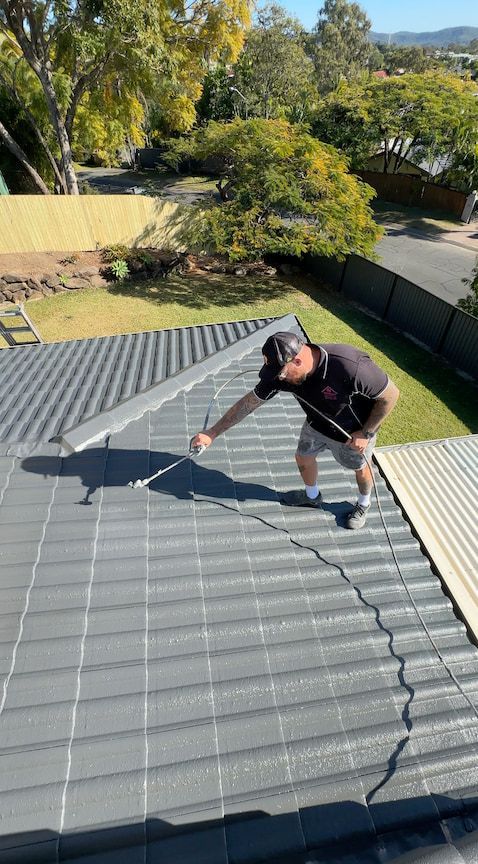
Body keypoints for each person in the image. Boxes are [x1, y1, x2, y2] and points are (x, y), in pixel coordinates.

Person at [191, 331, 399, 529]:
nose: (278, 379)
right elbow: (250, 402)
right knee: (303, 458)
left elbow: (391, 395)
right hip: (315, 424)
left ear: (297, 361)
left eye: (281, 373)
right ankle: (312, 496)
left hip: (351, 434)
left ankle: (363, 503)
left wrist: (366, 433)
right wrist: (212, 432)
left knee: (361, 468)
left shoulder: (349, 366)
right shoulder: (281, 373)